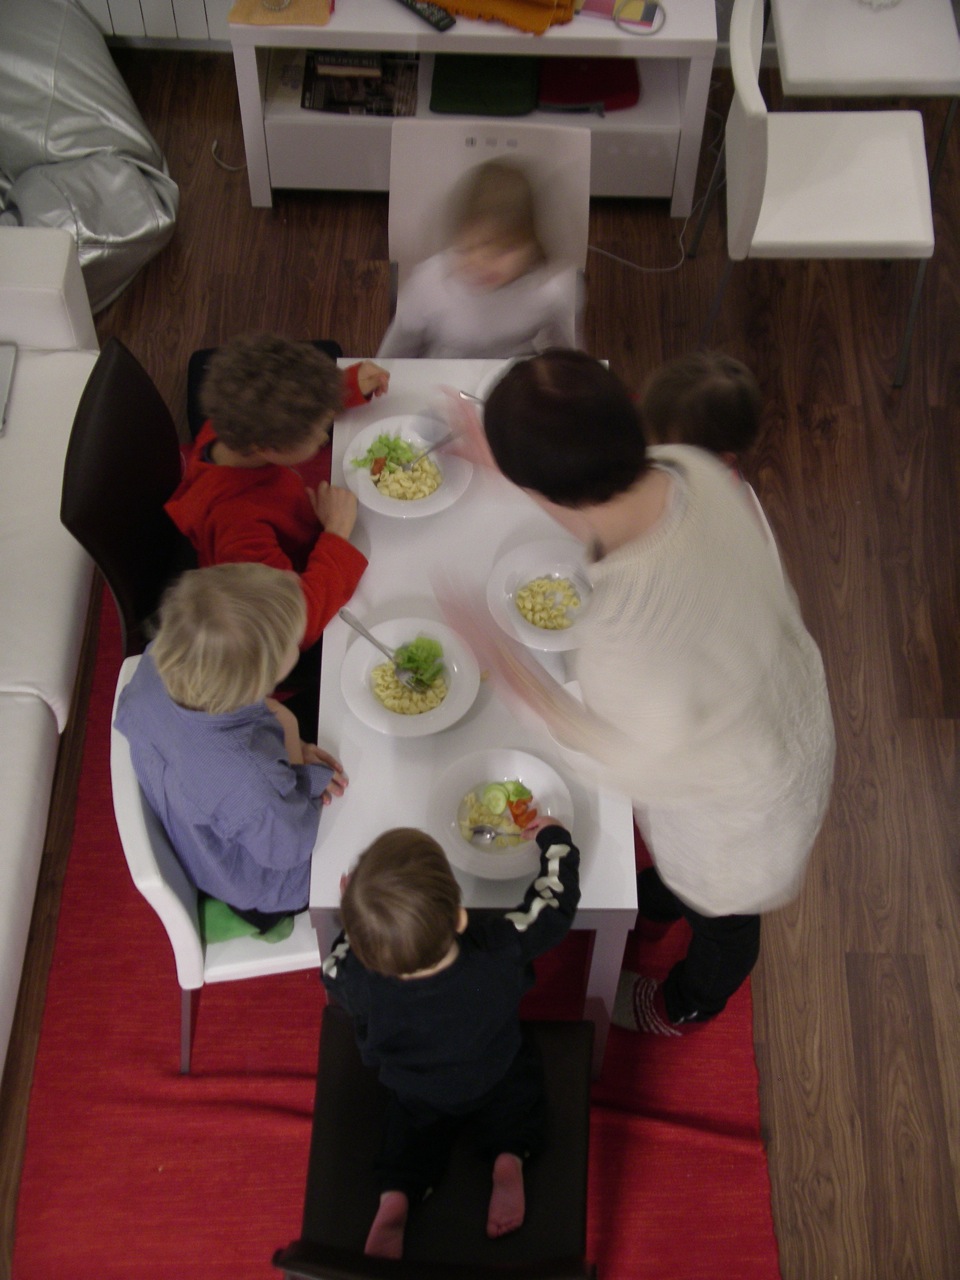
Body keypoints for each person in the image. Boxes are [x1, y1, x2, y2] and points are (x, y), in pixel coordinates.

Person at [441, 349, 835, 1036]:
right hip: (775, 698)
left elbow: (622, 762)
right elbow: (598, 509)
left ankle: (689, 1001)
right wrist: (515, 471)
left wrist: (505, 667)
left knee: (726, 916)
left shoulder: (625, 635)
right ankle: (672, 898)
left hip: (743, 801)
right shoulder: (692, 469)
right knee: (684, 889)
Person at [321, 819, 581, 1258]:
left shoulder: (353, 978)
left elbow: (333, 965)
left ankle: (396, 1196)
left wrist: (352, 915)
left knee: (404, 1134)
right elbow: (553, 907)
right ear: (460, 917)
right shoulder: (498, 946)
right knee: (520, 1098)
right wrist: (554, 841)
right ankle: (508, 1159)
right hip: (494, 1067)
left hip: (416, 1088)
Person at [114, 562, 348, 931]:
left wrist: (284, 727)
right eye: (292, 643)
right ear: (257, 685)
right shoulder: (253, 781)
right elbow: (292, 847)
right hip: (267, 885)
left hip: (211, 813)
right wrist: (290, 739)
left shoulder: (165, 656)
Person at [165, 332, 390, 653]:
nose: (323, 439)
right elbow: (293, 624)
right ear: (266, 447)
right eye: (316, 433)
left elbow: (279, 399)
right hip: (282, 595)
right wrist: (336, 533)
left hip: (298, 528)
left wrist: (344, 387)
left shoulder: (232, 421)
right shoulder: (238, 529)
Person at [377, 157, 579, 359]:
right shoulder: (429, 286)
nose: (480, 263)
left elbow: (569, 358)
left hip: (515, 375)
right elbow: (396, 353)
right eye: (466, 249)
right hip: (445, 373)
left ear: (533, 246)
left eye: (501, 251)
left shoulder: (551, 290)